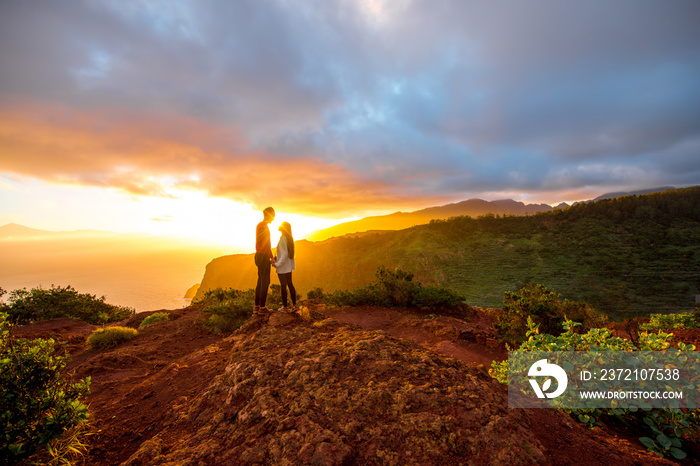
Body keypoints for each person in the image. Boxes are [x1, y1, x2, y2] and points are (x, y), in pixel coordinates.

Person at [254, 207, 275, 314]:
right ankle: (262, 307)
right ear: (270, 215)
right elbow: (266, 245)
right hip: (263, 256)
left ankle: (257, 306)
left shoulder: (259, 225)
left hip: (258, 255)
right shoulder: (264, 227)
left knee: (260, 281)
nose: (274, 217)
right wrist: (271, 258)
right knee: (265, 281)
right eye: (273, 214)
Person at [273, 221, 297, 313]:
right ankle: (294, 305)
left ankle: (285, 307)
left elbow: (284, 254)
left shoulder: (283, 238)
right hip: (288, 266)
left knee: (283, 286)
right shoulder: (289, 238)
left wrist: (276, 264)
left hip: (283, 267)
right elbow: (287, 254)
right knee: (290, 284)